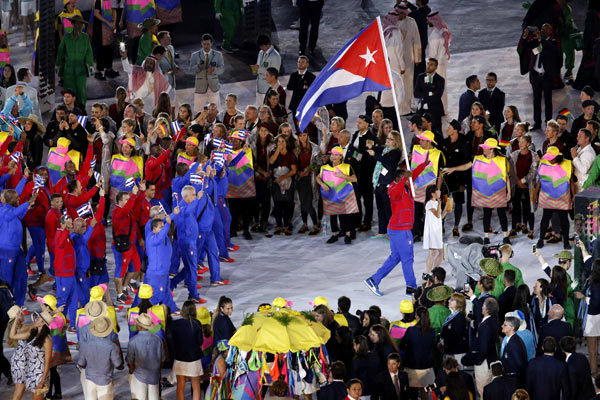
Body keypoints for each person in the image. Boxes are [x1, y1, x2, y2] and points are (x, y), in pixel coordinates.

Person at [316, 145, 359, 244]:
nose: (334, 157)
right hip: (331, 195)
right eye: (332, 155)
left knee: (346, 214)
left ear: (341, 157)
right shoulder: (325, 167)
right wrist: (322, 184)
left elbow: (355, 179)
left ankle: (348, 235)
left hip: (344, 194)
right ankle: (334, 234)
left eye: (336, 155)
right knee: (333, 214)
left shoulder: (346, 167)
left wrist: (343, 176)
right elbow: (317, 177)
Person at [534, 146, 574, 249]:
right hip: (548, 195)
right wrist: (535, 193)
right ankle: (541, 240)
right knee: (545, 218)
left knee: (564, 219)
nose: (549, 160)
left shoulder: (567, 164)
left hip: (562, 196)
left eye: (551, 158)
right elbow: (540, 180)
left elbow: (571, 181)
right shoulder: (544, 163)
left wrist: (574, 195)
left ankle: (566, 242)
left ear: (557, 157)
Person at [519, 25, 558, 130]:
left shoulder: (553, 42)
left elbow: (551, 49)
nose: (543, 31)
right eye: (542, 29)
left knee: (548, 100)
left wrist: (541, 40)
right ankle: (537, 123)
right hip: (536, 75)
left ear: (550, 31)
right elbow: (524, 47)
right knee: (536, 100)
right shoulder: (536, 41)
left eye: (546, 30)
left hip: (546, 76)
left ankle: (548, 122)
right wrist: (525, 36)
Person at [8, 309, 52, 400]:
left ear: (43, 323)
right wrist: (16, 319)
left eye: (38, 318)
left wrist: (42, 381)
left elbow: (48, 362)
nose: (35, 319)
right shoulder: (32, 333)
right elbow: (12, 336)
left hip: (40, 374)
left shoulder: (47, 340)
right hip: (31, 371)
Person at [367, 130, 403, 238]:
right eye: (388, 138)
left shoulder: (396, 152)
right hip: (379, 182)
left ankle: (391, 231)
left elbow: (386, 161)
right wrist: (370, 147)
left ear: (396, 142)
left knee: (388, 209)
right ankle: (382, 230)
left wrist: (374, 155)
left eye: (391, 139)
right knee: (380, 208)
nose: (387, 140)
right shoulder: (384, 149)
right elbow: (374, 150)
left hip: (387, 183)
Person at [77, 316, 123, 400]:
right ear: (107, 331)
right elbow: (118, 365)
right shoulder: (112, 346)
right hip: (105, 380)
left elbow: (81, 364)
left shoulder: (86, 346)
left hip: (90, 380)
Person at [166, 300, 204, 400]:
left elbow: (170, 338)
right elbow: (200, 341)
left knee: (180, 385)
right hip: (194, 358)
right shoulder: (197, 324)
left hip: (179, 358)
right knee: (196, 385)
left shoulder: (175, 324)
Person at [411, 130, 444, 240]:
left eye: (422, 140)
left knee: (430, 212)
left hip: (430, 189)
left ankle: (431, 234)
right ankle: (416, 233)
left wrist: (438, 189)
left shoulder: (438, 154)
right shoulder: (415, 149)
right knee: (416, 211)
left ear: (429, 142)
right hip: (416, 187)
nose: (420, 141)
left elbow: (440, 174)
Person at [56, 15, 94, 106]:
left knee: (81, 94)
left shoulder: (85, 37)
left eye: (81, 23)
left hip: (81, 69)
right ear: (72, 24)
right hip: (68, 70)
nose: (79, 25)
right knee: (69, 95)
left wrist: (91, 65)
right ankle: (70, 116)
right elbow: (61, 52)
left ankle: (81, 117)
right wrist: (58, 65)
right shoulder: (66, 37)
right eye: (77, 23)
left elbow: (89, 52)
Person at [127, 313, 164, 400]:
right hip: (154, 376)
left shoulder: (133, 341)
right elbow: (162, 360)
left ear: (139, 326)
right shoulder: (158, 340)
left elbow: (130, 361)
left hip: (139, 375)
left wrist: (132, 371)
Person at [401, 306, 436, 399]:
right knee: (426, 394)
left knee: (412, 395)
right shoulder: (432, 332)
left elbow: (402, 345)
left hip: (412, 368)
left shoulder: (411, 330)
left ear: (417, 317)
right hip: (427, 368)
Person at [508, 135, 537, 239]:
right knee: (515, 206)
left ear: (528, 144)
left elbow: (533, 172)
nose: (520, 144)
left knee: (528, 207)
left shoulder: (533, 155)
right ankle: (514, 227)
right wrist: (517, 181)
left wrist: (523, 181)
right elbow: (511, 169)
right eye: (519, 142)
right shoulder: (514, 154)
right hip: (516, 185)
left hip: (528, 186)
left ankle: (529, 228)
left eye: (523, 142)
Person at [190, 33, 224, 110]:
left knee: (216, 110)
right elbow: (191, 70)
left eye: (208, 44)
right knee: (198, 111)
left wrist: (214, 70)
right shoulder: (195, 55)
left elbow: (221, 69)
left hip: (213, 87)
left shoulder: (218, 55)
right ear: (201, 43)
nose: (206, 46)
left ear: (211, 43)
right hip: (200, 87)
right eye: (204, 44)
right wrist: (198, 67)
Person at [426, 12, 451, 113]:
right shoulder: (441, 32)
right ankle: (444, 109)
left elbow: (432, 56)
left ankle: (438, 110)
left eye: (428, 20)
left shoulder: (434, 36)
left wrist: (428, 68)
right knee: (443, 88)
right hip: (442, 64)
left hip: (436, 66)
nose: (427, 21)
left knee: (436, 89)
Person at [414, 58, 445, 131]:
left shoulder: (440, 80)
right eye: (428, 64)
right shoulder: (420, 77)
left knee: (436, 130)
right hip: (422, 109)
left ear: (436, 67)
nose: (428, 66)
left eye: (431, 65)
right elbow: (416, 93)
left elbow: (437, 96)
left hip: (435, 110)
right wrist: (430, 93)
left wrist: (424, 96)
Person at [90, 0, 117, 81]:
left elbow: (113, 10)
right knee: (100, 50)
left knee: (109, 48)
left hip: (109, 29)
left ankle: (108, 69)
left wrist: (114, 23)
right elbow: (96, 13)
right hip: (100, 29)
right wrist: (108, 23)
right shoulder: (99, 1)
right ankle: (98, 72)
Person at [251, 34, 281, 105]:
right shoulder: (261, 53)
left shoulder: (275, 56)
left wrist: (259, 69)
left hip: (269, 88)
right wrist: (254, 70)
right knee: (259, 108)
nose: (261, 48)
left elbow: (274, 73)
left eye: (262, 46)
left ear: (268, 44)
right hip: (259, 87)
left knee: (268, 109)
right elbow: (258, 65)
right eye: (260, 46)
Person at [287, 55, 316, 128]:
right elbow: (289, 87)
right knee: (297, 127)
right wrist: (302, 87)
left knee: (306, 127)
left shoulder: (312, 77)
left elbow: (312, 90)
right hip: (295, 105)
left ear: (307, 64)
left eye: (302, 62)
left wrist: (299, 87)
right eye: (299, 62)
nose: (300, 64)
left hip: (306, 106)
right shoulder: (294, 75)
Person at [499, 317, 528, 388]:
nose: (502, 326)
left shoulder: (513, 344)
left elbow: (519, 365)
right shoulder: (513, 340)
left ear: (512, 328)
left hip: (513, 382)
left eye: (505, 325)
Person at [440, 294, 468, 366]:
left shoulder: (460, 317)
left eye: (452, 300)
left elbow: (457, 335)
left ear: (458, 303)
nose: (449, 301)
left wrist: (444, 341)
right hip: (450, 350)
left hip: (456, 352)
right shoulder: (452, 315)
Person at [423, 184, 446, 272]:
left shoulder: (436, 203)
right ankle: (428, 273)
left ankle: (434, 271)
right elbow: (436, 214)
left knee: (441, 253)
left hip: (437, 231)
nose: (439, 192)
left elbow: (440, 216)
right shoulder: (429, 204)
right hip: (432, 231)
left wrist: (446, 209)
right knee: (432, 253)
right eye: (438, 190)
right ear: (433, 193)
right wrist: (440, 203)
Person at [572, 128, 596, 193]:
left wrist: (574, 157)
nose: (577, 138)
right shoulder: (580, 148)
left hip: (584, 188)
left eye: (580, 136)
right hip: (578, 186)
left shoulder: (589, 153)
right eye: (577, 136)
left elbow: (583, 170)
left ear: (587, 139)